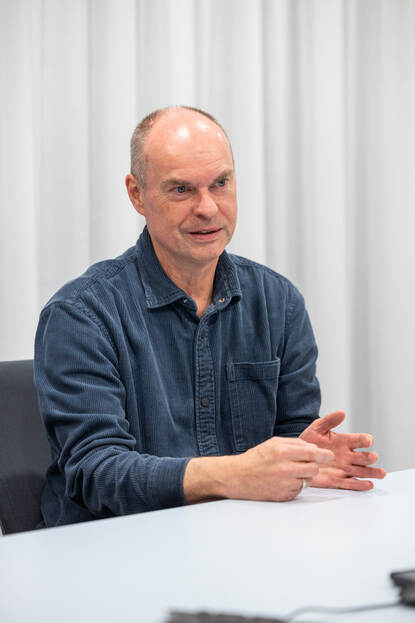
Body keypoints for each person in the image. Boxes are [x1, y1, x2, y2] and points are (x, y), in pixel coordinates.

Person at [34, 106, 386, 527]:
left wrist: (305, 461)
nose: (207, 207)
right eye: (181, 189)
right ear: (137, 194)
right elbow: (98, 473)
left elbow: (290, 432)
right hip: (110, 548)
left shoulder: (279, 302)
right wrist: (236, 474)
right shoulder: (81, 315)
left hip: (240, 539)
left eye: (221, 183)